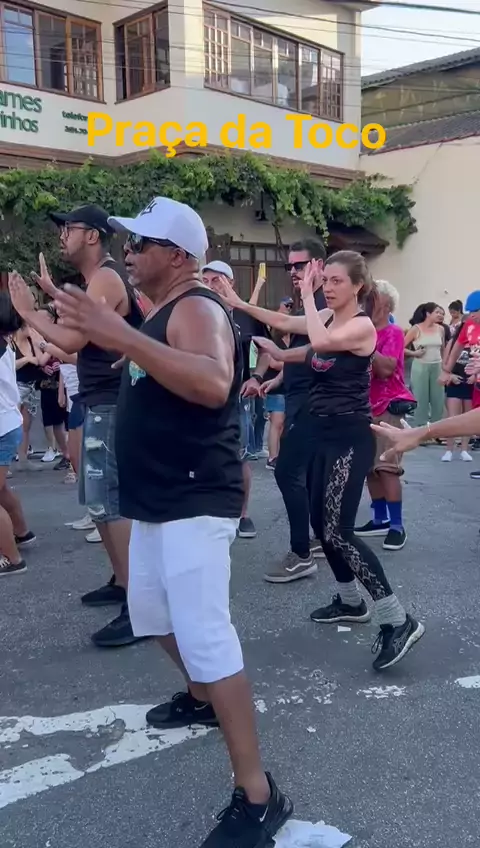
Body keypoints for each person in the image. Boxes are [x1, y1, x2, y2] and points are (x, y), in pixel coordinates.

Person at [51, 196, 293, 848]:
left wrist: (123, 335)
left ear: (179, 256)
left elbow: (213, 383)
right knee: (152, 616)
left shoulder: (197, 306)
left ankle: (258, 796)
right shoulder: (163, 310)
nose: (128, 253)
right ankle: (202, 696)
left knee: (206, 636)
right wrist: (123, 341)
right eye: (128, 243)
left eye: (141, 244)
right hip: (158, 498)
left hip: (194, 497)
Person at [254, 251, 425, 670]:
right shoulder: (328, 318)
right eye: (324, 280)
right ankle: (350, 601)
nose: (327, 287)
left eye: (335, 281)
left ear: (357, 286)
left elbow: (319, 342)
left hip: (350, 437)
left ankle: (398, 619)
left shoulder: (360, 326)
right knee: (322, 526)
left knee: (339, 532)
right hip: (322, 434)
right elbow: (288, 327)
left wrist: (308, 297)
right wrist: (235, 301)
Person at [8, 206, 145, 648]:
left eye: (69, 228)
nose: (62, 236)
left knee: (112, 502)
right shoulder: (96, 280)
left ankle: (139, 605)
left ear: (93, 236)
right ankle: (122, 581)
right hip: (100, 399)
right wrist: (50, 295)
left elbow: (71, 339)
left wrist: (28, 311)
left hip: (114, 402)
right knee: (99, 501)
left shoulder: (106, 278)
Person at [215, 239, 327, 584]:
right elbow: (300, 351)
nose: (293, 272)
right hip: (299, 398)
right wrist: (272, 379)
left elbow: (306, 344)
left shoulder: (325, 304)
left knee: (288, 473)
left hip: (315, 404)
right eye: (289, 266)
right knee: (308, 475)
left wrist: (239, 304)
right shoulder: (308, 303)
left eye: (300, 265)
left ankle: (302, 553)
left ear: (319, 265)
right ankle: (320, 539)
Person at [201, 260, 271, 539]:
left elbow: (266, 350)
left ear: (230, 283)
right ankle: (208, 511)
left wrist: (257, 378)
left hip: (236, 398)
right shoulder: (196, 312)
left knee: (239, 456)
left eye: (216, 280)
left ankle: (242, 514)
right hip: (200, 396)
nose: (210, 286)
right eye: (205, 281)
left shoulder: (245, 315)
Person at [355, 280, 415, 551]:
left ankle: (397, 526)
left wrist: (365, 344)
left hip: (388, 406)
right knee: (369, 468)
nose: (368, 299)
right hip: (363, 406)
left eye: (374, 295)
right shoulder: (362, 329)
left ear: (386, 304)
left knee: (387, 468)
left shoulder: (393, 332)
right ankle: (380, 519)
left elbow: (387, 368)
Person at [0, 292, 36, 575]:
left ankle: (12, 559)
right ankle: (22, 533)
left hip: (2, 425)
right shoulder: (5, 341)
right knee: (1, 489)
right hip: (7, 422)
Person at [12, 319, 48, 470]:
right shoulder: (10, 343)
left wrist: (39, 343)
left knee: (25, 424)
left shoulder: (32, 341)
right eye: (30, 326)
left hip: (30, 387)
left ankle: (23, 459)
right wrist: (26, 359)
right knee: (9, 424)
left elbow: (40, 361)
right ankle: (4, 462)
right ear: (22, 326)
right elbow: (8, 365)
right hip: (14, 386)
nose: (33, 329)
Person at [404, 302, 446, 428]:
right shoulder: (416, 329)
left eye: (441, 313)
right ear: (428, 314)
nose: (440, 315)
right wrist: (414, 353)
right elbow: (400, 347)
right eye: (437, 312)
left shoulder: (441, 329)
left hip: (437, 366)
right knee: (421, 398)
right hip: (420, 366)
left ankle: (437, 428)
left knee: (438, 399)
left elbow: (443, 349)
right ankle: (421, 428)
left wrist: (445, 368)